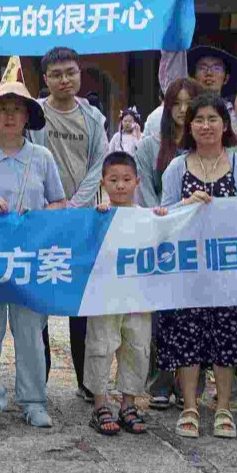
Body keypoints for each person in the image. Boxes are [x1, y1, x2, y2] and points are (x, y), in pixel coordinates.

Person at [0, 61, 67, 432]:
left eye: (16, 110)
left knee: (31, 334)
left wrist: (37, 217)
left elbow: (59, 202)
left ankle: (33, 401)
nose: (9, 116)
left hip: (29, 259)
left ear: (27, 117)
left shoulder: (42, 158)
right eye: (3, 110)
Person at [155, 94, 237, 439]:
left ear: (225, 124)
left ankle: (224, 407)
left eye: (213, 119)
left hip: (228, 267)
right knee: (187, 335)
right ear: (189, 127)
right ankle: (189, 406)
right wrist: (186, 204)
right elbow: (164, 216)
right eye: (198, 120)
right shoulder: (177, 167)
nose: (205, 126)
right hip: (188, 268)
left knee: (227, 336)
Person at [29, 46, 108, 401]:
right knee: (39, 300)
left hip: (81, 220)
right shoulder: (34, 114)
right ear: (46, 79)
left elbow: (99, 165)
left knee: (83, 302)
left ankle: (87, 381)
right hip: (42, 220)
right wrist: (50, 206)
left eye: (71, 72)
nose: (65, 80)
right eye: (57, 74)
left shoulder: (93, 118)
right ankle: (38, 380)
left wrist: (74, 206)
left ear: (79, 74)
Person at [85, 152, 153, 437]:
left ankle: (128, 405)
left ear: (137, 181)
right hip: (104, 295)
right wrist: (96, 217)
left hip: (138, 295)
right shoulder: (98, 215)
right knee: (101, 346)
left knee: (137, 347)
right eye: (113, 180)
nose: (121, 185)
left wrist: (162, 219)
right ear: (103, 182)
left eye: (126, 179)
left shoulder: (147, 216)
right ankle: (100, 405)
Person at [134, 78, 201, 210]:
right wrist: (164, 216)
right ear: (168, 106)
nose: (183, 109)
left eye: (189, 103)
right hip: (159, 218)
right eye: (176, 103)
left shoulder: (206, 146)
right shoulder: (148, 147)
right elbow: (144, 193)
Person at [143, 44, 237, 136]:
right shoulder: (171, 113)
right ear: (194, 76)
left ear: (226, 78)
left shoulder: (236, 114)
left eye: (216, 68)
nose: (209, 73)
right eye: (202, 68)